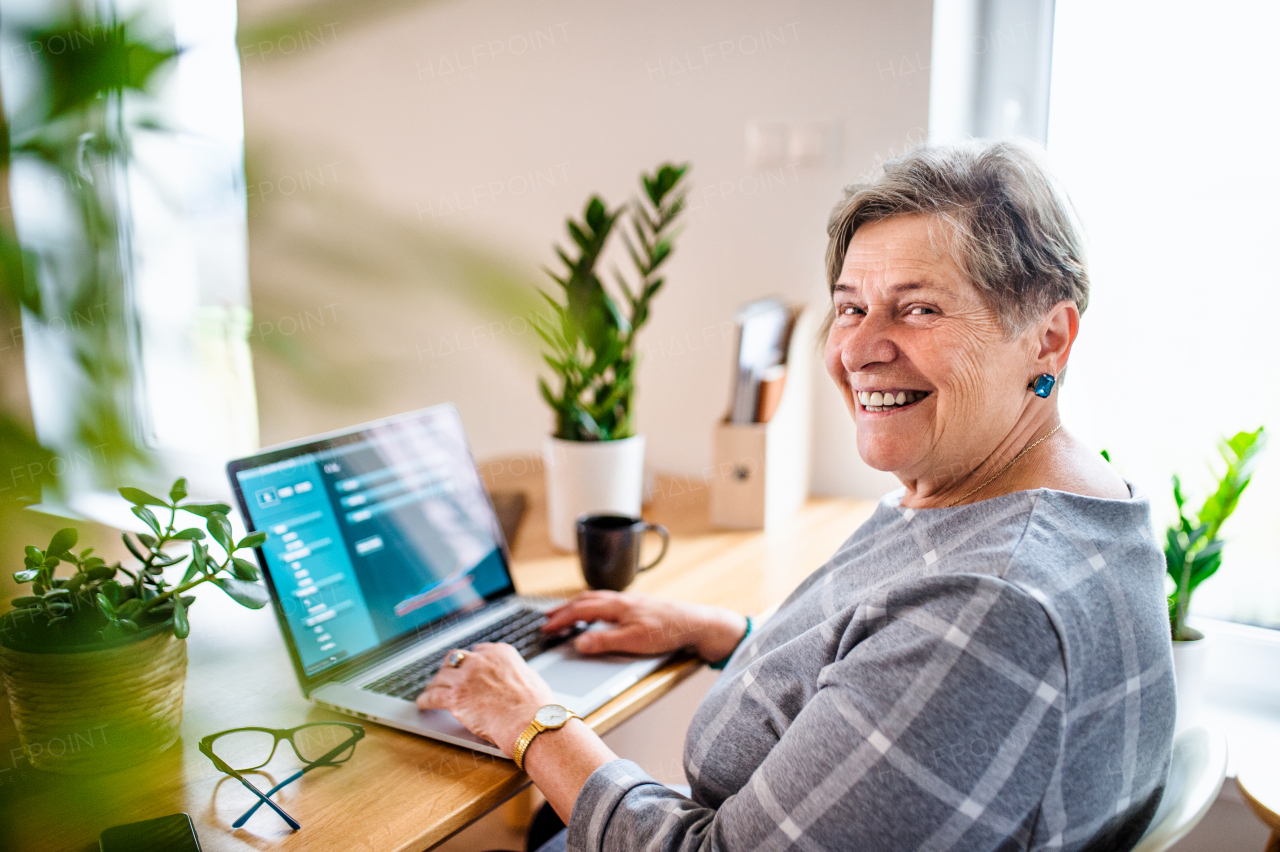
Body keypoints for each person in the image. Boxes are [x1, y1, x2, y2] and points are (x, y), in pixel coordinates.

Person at [417, 140, 1176, 852]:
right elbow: (893, 682)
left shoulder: (986, 607)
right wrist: (716, 629)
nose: (859, 348)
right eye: (851, 307)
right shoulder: (1065, 502)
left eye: (919, 308)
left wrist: (533, 720)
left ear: (1048, 339)